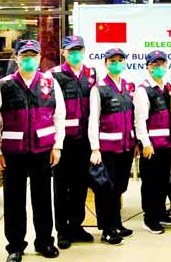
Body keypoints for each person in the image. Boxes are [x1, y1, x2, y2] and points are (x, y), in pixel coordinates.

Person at [0, 40, 65, 262]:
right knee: (13, 201)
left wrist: (57, 146)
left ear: (40, 58)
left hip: (42, 150)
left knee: (42, 199)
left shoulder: (50, 84)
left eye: (33, 55)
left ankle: (44, 242)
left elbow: (59, 116)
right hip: (13, 153)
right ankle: (15, 246)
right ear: (17, 58)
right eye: (25, 55)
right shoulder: (3, 85)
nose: (29, 59)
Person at [45, 35, 96, 250]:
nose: (75, 54)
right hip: (63, 142)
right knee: (61, 187)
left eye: (79, 50)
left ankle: (76, 225)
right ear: (63, 52)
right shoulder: (53, 75)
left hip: (84, 140)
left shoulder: (91, 74)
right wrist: (54, 141)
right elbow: (47, 109)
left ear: (84, 51)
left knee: (80, 186)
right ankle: (62, 230)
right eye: (71, 50)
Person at [88, 48, 136, 245]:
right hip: (106, 149)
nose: (117, 63)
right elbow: (94, 119)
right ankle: (107, 229)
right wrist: (94, 148)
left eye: (120, 60)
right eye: (112, 60)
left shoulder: (128, 86)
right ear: (105, 63)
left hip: (126, 147)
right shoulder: (98, 89)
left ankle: (116, 223)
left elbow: (132, 118)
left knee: (119, 187)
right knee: (105, 189)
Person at [134, 50, 171, 234]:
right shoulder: (143, 90)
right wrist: (145, 143)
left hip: (166, 145)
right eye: (154, 65)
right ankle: (149, 218)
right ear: (147, 67)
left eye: (162, 64)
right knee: (150, 183)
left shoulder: (168, 88)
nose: (158, 68)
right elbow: (140, 120)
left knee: (162, 181)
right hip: (150, 146)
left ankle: (161, 213)